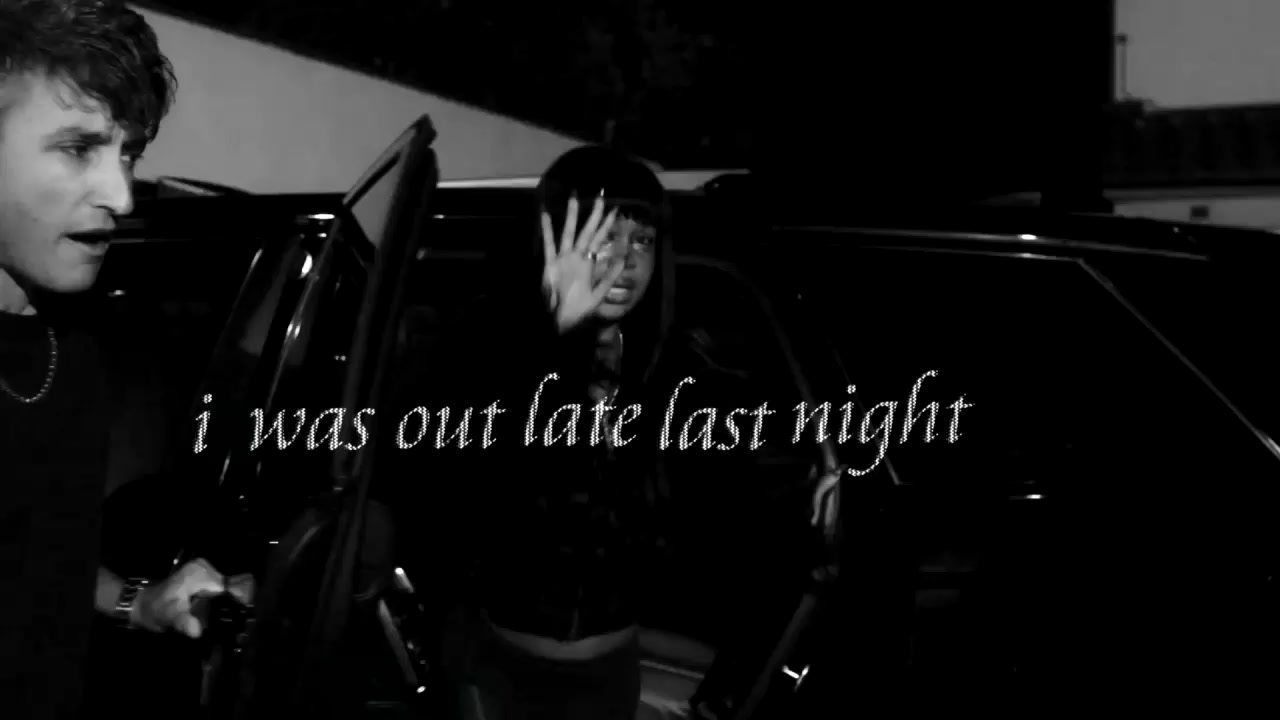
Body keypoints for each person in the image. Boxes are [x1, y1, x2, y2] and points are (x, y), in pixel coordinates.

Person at [1, 2, 242, 717]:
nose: (121, 195)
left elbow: (39, 564)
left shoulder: (74, 350)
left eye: (128, 153)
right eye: (79, 148)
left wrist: (141, 602)